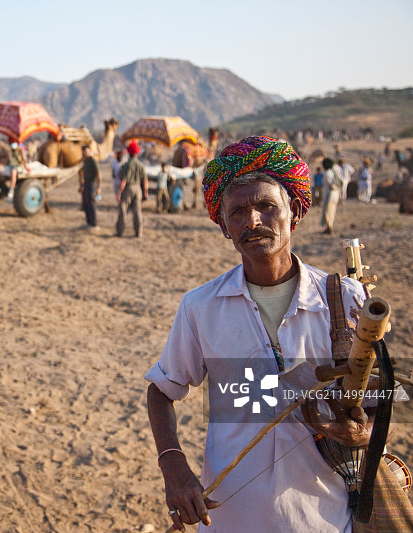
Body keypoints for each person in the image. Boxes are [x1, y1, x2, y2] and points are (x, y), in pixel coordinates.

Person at [145, 136, 372, 532]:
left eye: (267, 206)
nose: (252, 221)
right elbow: (162, 390)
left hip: (325, 519)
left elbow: (380, 397)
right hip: (229, 519)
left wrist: (361, 430)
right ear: (223, 227)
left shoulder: (346, 300)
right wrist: (173, 464)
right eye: (237, 212)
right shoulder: (200, 306)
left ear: (294, 213)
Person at [116, 140, 148, 237]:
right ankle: (139, 232)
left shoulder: (126, 165)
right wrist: (145, 193)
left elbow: (124, 180)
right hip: (138, 189)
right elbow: (145, 181)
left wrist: (119, 192)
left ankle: (120, 231)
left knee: (123, 210)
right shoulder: (141, 165)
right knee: (137, 211)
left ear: (129, 153)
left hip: (128, 188)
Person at [79, 145, 101, 229]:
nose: (85, 153)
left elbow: (98, 174)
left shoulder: (92, 161)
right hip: (86, 184)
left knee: (92, 204)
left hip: (92, 184)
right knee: (86, 204)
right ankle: (89, 222)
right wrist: (82, 186)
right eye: (84, 151)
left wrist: (98, 187)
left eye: (86, 151)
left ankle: (94, 224)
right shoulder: (85, 161)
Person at [320, 158, 341, 234]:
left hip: (329, 194)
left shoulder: (327, 173)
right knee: (331, 211)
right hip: (335, 194)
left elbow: (330, 184)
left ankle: (329, 227)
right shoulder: (333, 172)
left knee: (328, 211)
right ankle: (329, 226)